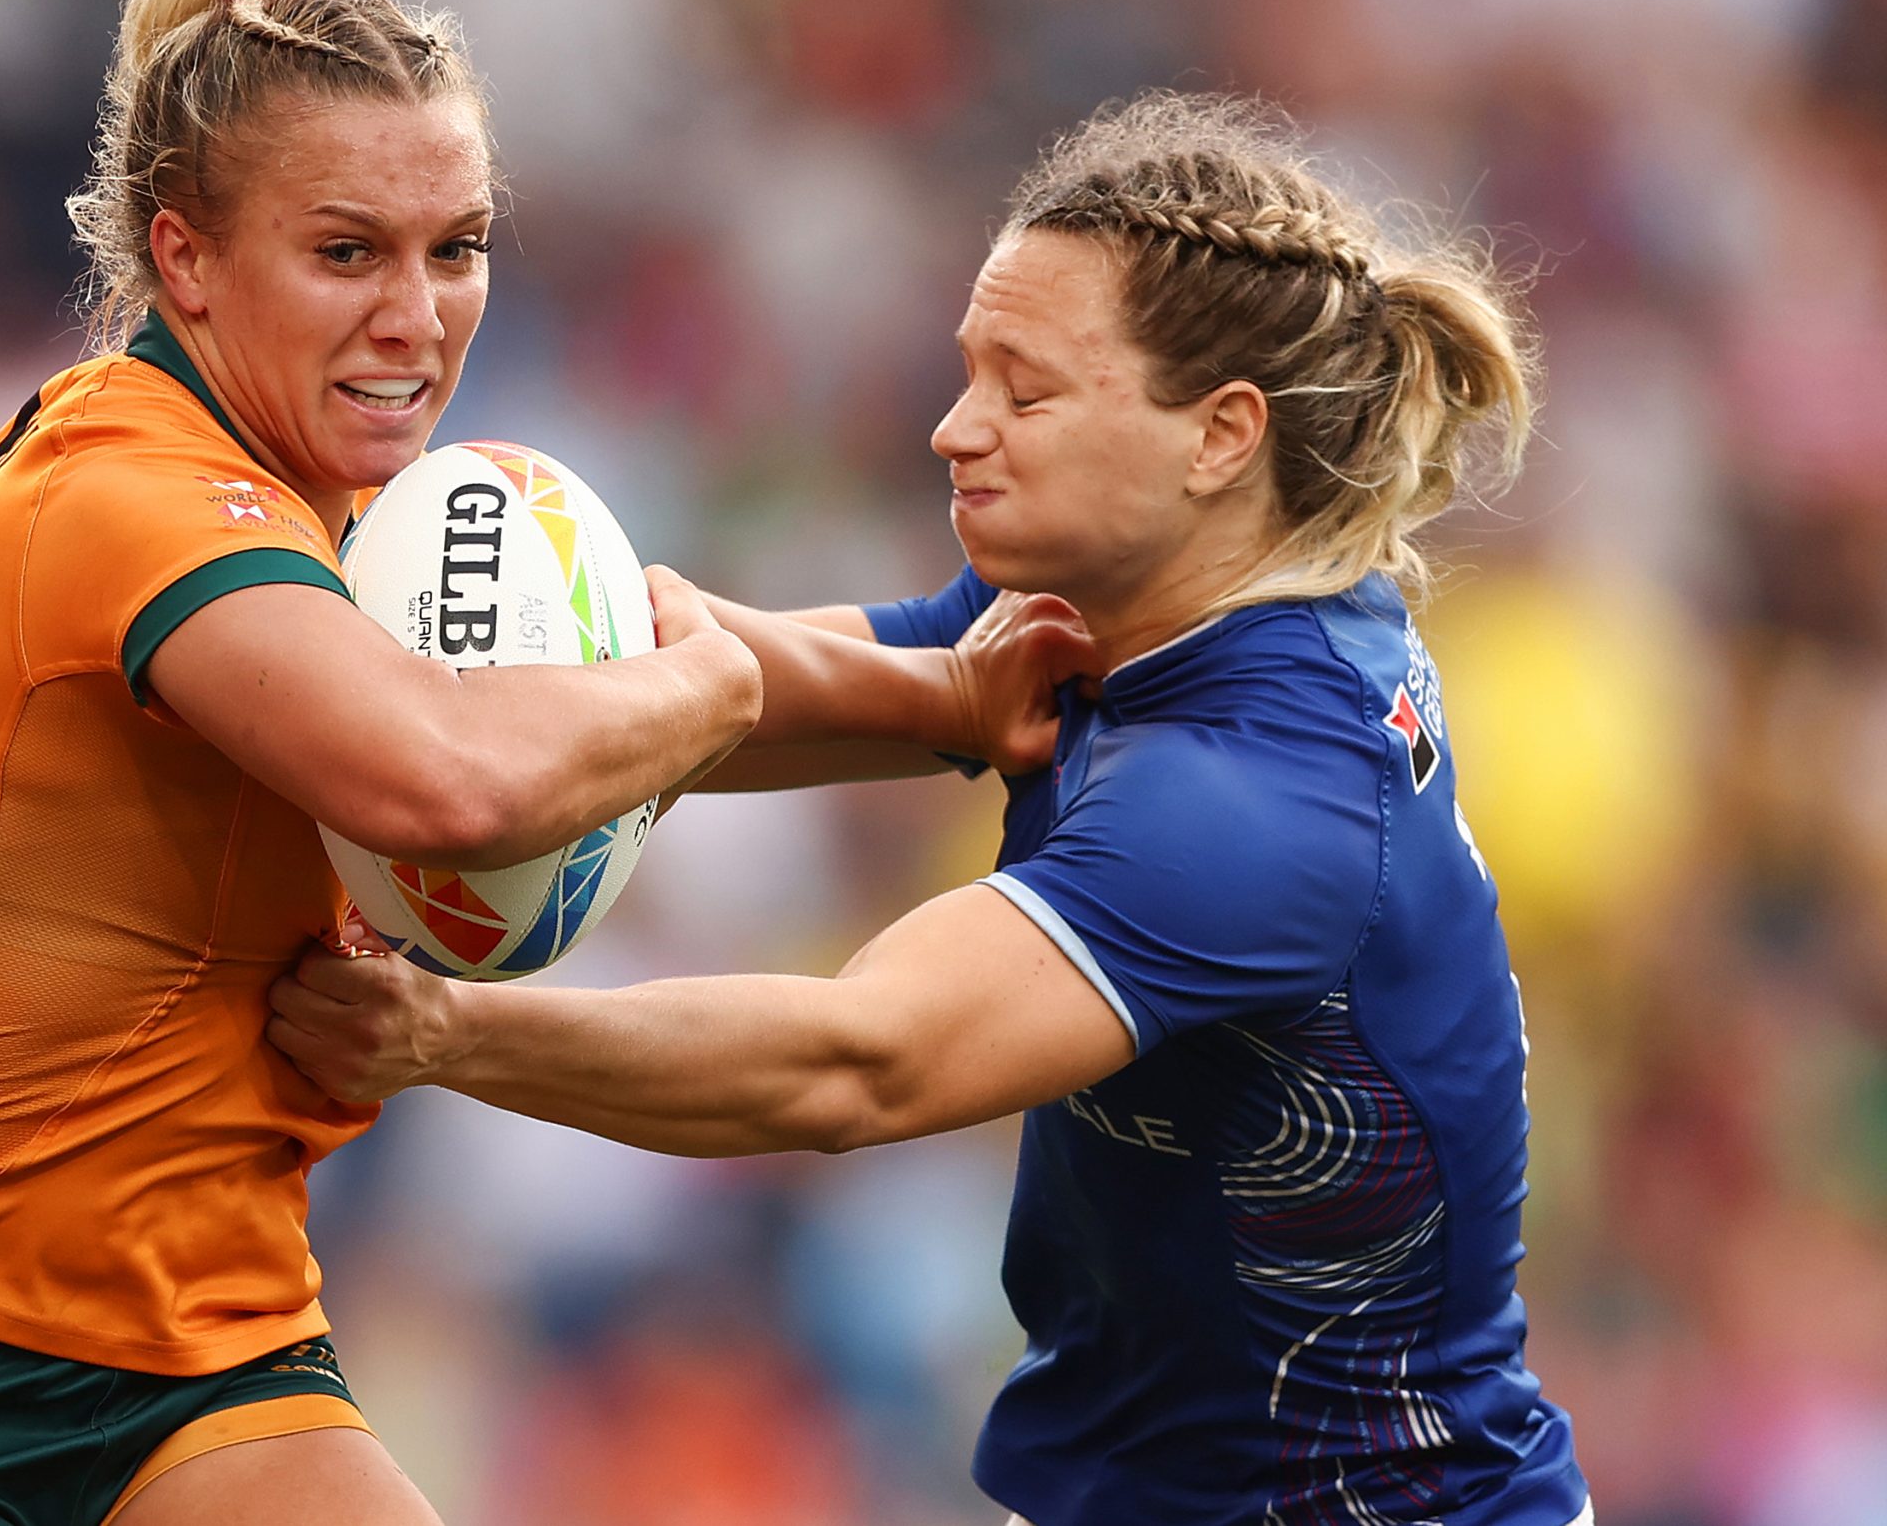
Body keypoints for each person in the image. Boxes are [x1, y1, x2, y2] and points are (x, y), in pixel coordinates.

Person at [0, 0, 1056, 1526]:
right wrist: (712, 678)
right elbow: (451, 775)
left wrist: (962, 703)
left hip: (198, 1338)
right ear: (185, 260)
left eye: (458, 246)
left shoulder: (333, 502)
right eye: (349, 251)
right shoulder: (126, 492)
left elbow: (578, 713)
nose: (421, 313)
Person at [272, 93, 1595, 1526]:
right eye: (971, 373)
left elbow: (860, 1063)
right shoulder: (1139, 596)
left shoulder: (1261, 793)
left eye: (1025, 394)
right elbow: (788, 687)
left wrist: (440, 1034)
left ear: (1218, 437)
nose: (956, 428)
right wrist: (579, 645)